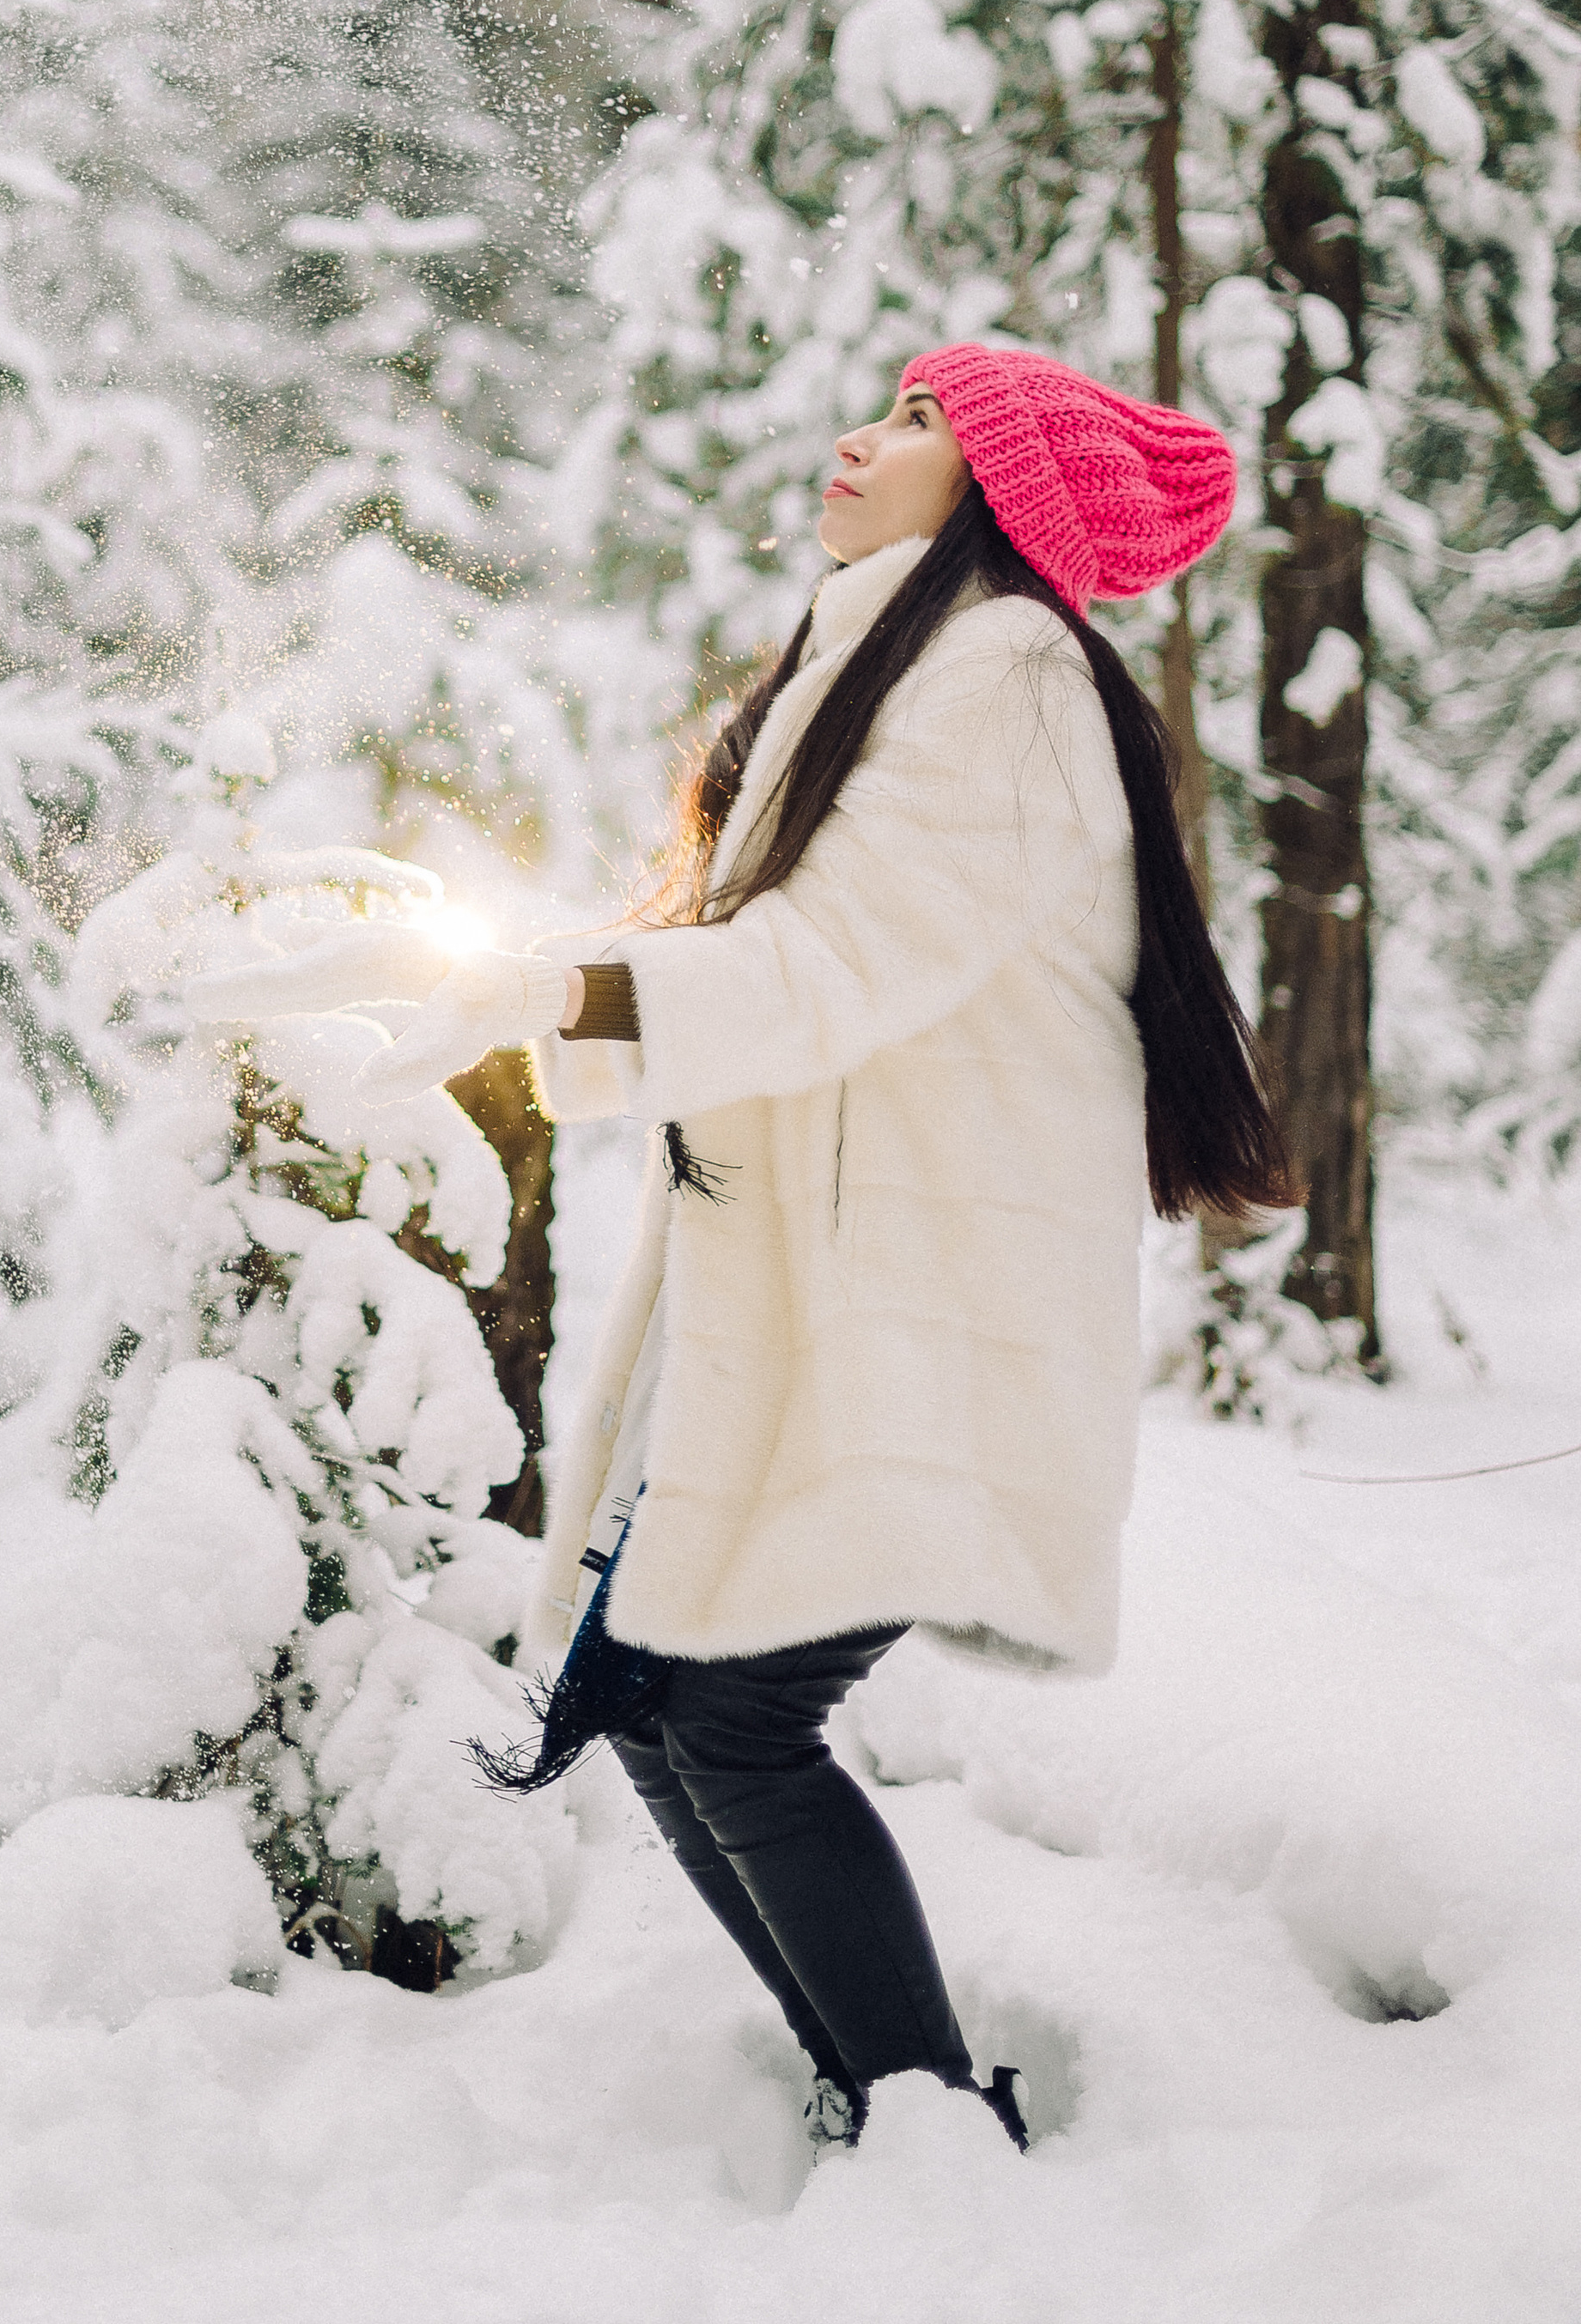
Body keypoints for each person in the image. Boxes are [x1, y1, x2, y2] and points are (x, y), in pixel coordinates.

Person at [197, 343, 1292, 2159]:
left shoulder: (1003, 667)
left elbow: (826, 967)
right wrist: (493, 977)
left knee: (733, 1710)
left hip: (918, 1293)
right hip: (834, 1278)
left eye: (931, 421)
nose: (865, 435)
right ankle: (889, 2098)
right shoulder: (890, 661)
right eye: (887, 400)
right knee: (665, 1698)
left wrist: (525, 991)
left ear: (1001, 494)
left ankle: (928, 2119)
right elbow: (777, 961)